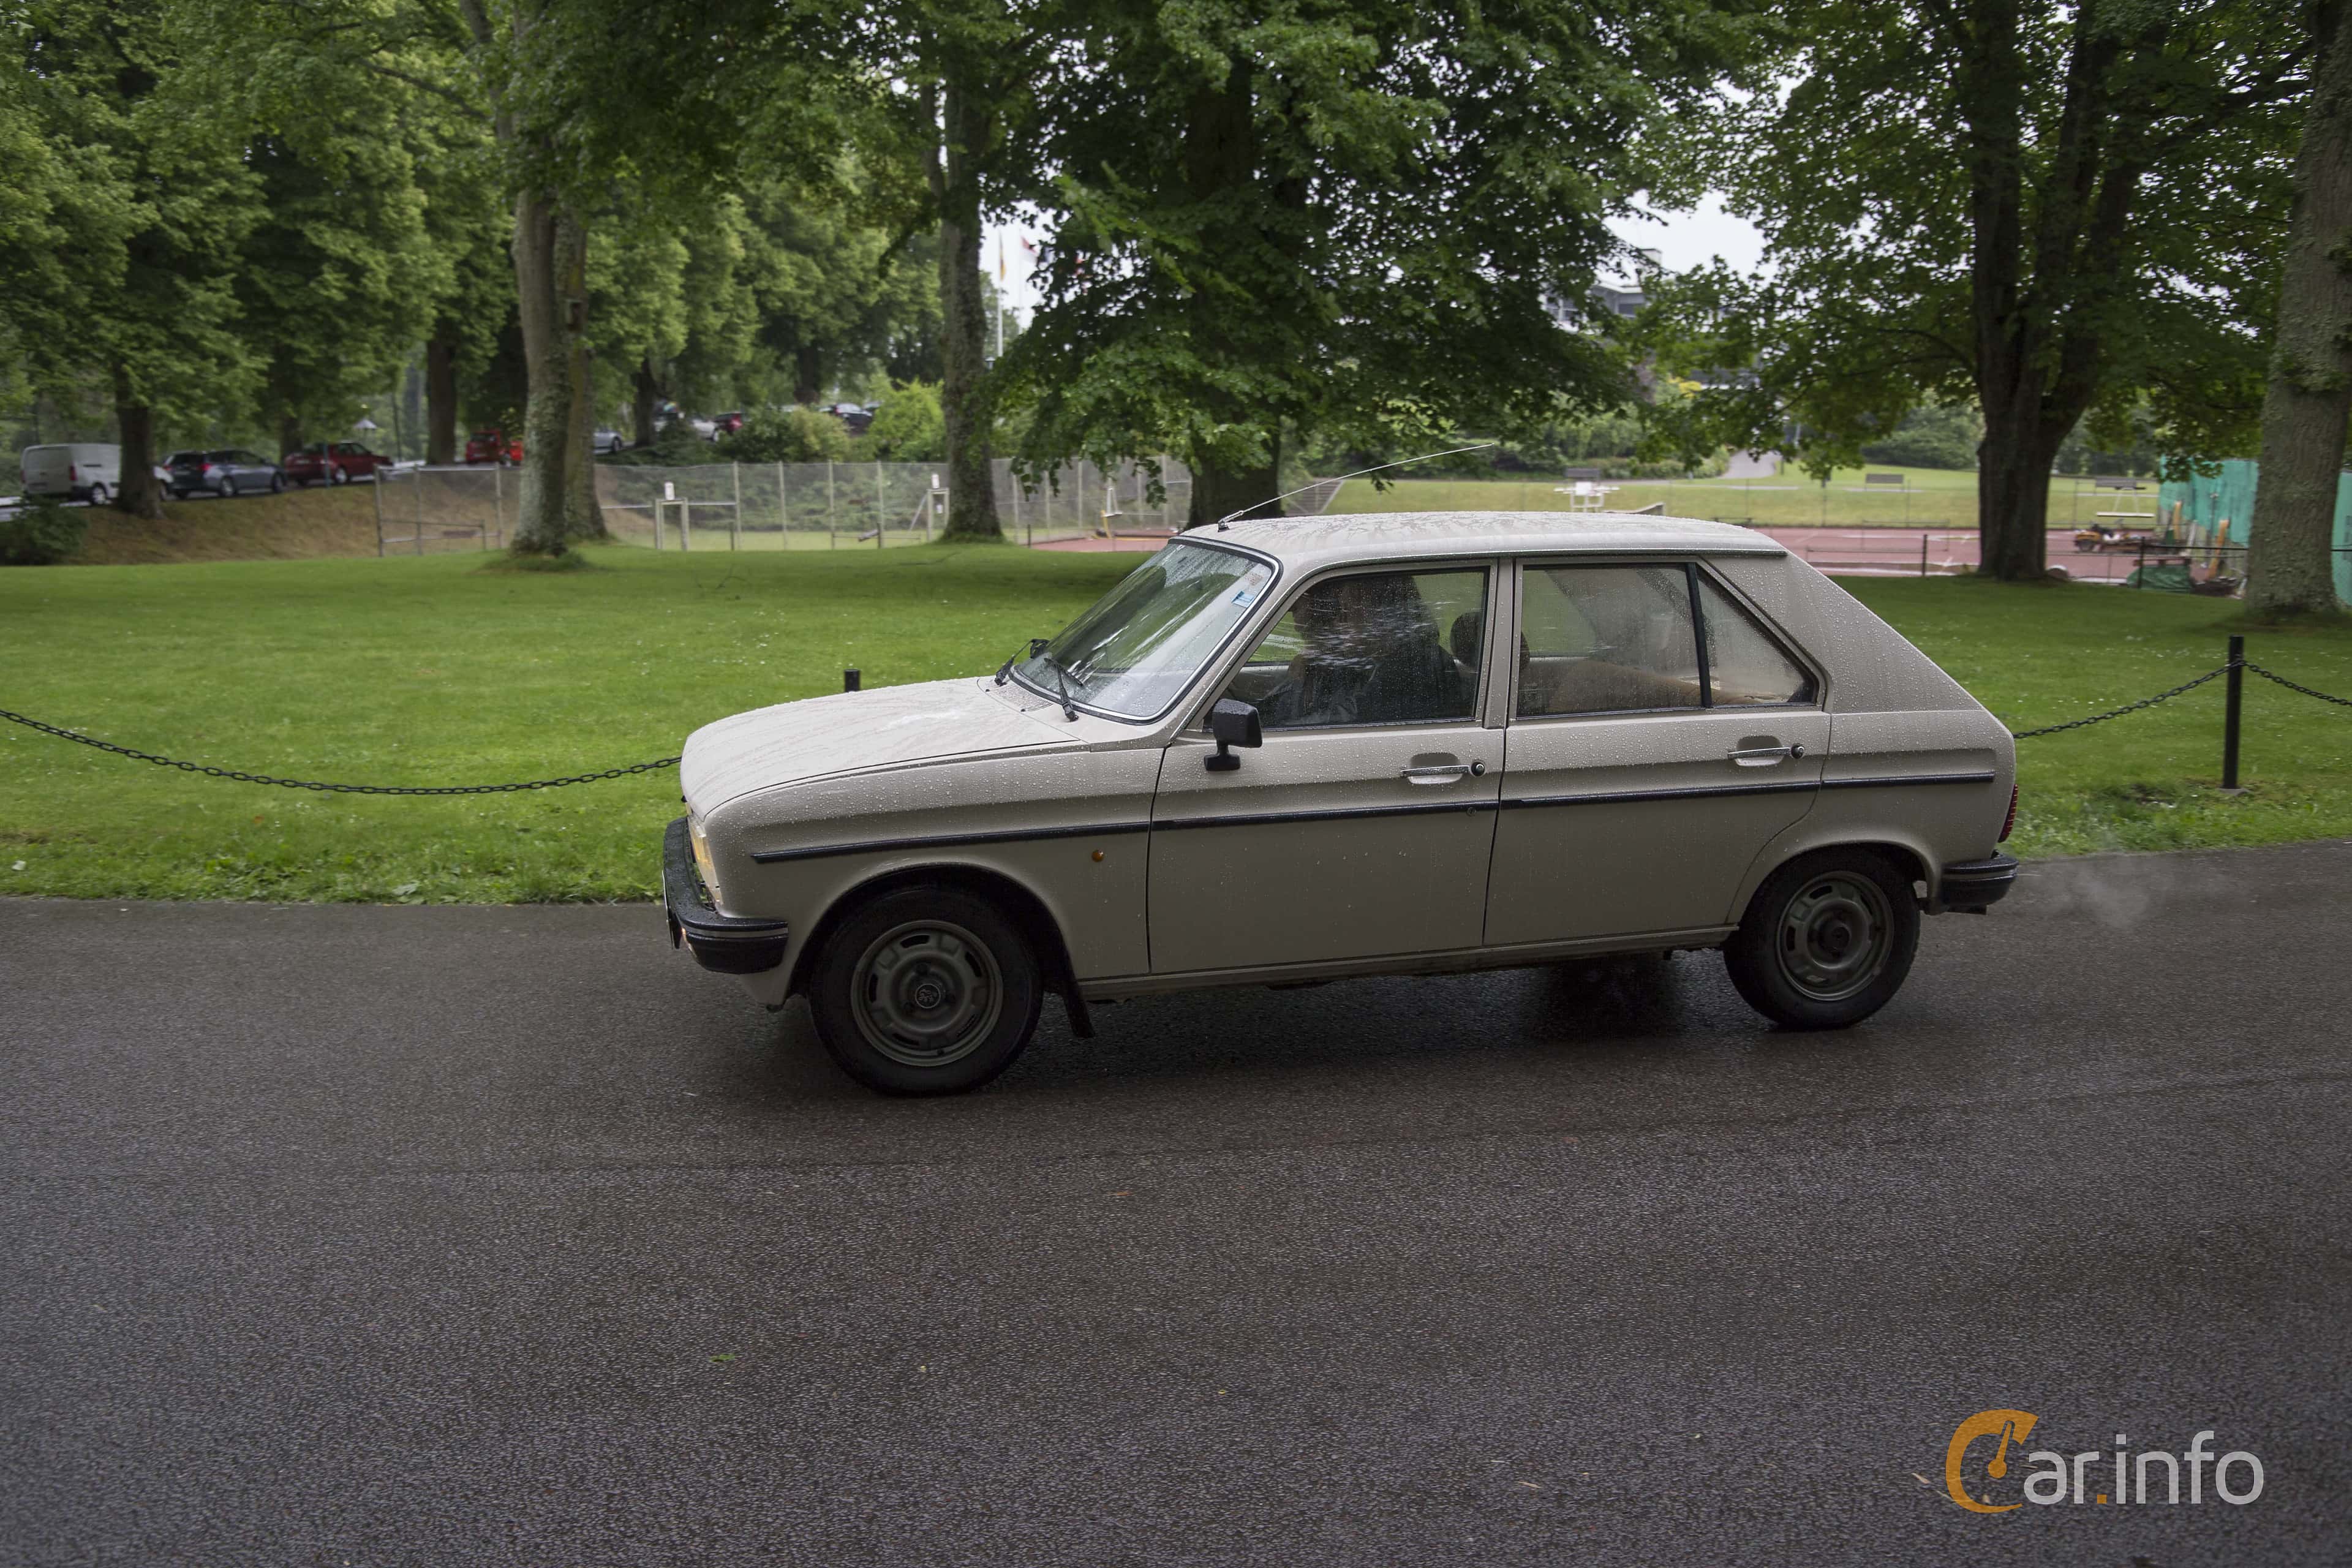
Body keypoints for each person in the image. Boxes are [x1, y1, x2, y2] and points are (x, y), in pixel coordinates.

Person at [1251, 573, 1471, 728]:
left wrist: (1271, 728)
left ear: (1381, 617)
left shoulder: (1410, 665)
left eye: (1348, 612)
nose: (1339, 621)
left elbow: (1347, 716)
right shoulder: (1386, 656)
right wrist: (1319, 657)